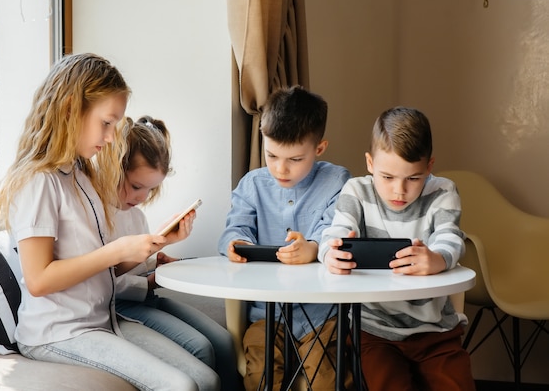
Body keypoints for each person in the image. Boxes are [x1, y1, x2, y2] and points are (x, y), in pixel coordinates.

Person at [0, 53, 220, 391]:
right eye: (107, 123)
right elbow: (39, 280)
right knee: (180, 386)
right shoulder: (39, 182)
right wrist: (116, 250)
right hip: (57, 333)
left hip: (102, 321)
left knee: (206, 379)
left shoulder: (81, 175)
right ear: (71, 108)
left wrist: (153, 245)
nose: (113, 137)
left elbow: (101, 270)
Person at [318, 106, 476, 391]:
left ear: (429, 166)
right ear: (369, 163)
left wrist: (438, 259)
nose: (399, 191)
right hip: (374, 331)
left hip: (435, 331)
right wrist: (331, 254)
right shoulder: (356, 191)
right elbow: (334, 234)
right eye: (387, 177)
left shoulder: (442, 192)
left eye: (413, 178)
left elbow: (450, 237)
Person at [218, 86, 351, 391]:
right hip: (266, 314)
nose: (280, 168)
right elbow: (235, 227)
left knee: (326, 380)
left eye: (294, 159)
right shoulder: (253, 184)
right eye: (272, 155)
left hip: (322, 315)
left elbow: (337, 229)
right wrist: (237, 244)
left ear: (319, 149)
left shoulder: (337, 181)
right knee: (260, 375)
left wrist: (314, 248)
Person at [114, 115, 242, 391]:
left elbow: (133, 267)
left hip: (146, 297)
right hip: (123, 306)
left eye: (151, 189)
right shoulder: (100, 215)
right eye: (137, 186)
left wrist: (155, 267)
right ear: (115, 169)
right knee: (201, 348)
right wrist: (151, 280)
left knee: (225, 341)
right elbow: (107, 281)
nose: (142, 197)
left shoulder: (134, 215)